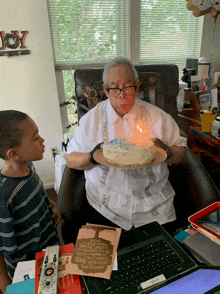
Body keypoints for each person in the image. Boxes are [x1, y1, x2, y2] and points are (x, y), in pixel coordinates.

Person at [65, 57, 187, 244]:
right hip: (104, 206)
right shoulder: (91, 120)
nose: (121, 94)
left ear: (137, 86)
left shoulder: (159, 118)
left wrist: (167, 152)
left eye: (128, 86)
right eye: (114, 87)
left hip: (154, 207)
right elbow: (71, 159)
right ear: (105, 90)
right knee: (98, 268)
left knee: (166, 264)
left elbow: (182, 154)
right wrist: (94, 156)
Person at [0, 110, 62, 294]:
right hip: (26, 269)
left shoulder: (29, 167)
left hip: (49, 251)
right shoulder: (4, 195)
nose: (42, 141)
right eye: (35, 138)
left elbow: (34, 195)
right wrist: (4, 282)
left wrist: (51, 205)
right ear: (14, 154)